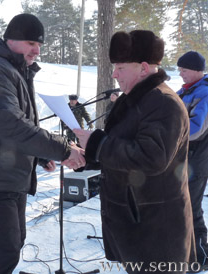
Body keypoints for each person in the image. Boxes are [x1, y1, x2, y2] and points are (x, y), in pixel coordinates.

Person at [0, 13, 85, 274]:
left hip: (4, 176)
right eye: (31, 43)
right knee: (4, 251)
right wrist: (64, 149)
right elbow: (10, 126)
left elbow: (19, 123)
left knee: (6, 246)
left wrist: (38, 155)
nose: (36, 51)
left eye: (39, 46)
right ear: (11, 39)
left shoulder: (12, 68)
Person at [74, 30, 196, 274]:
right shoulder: (132, 100)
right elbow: (120, 148)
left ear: (142, 68)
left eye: (120, 67)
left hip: (157, 229)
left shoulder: (163, 103)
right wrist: (85, 156)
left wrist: (98, 145)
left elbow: (152, 158)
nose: (114, 74)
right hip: (136, 222)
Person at [177, 51, 208, 271]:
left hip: (197, 162)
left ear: (197, 70)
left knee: (191, 209)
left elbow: (195, 130)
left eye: (184, 70)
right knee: (180, 208)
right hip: (183, 161)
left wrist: (167, 130)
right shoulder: (187, 90)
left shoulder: (207, 92)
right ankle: (185, 254)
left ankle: (201, 258)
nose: (181, 74)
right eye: (180, 70)